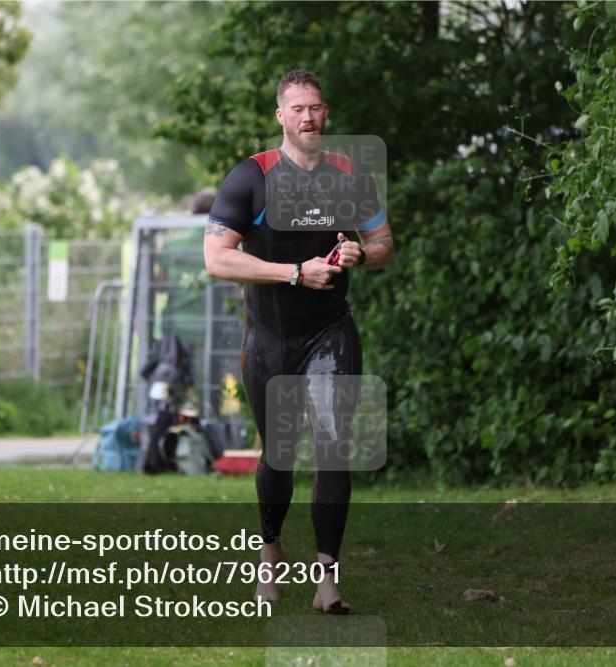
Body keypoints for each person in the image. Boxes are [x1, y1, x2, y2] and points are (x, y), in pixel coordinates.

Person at [203, 69, 395, 614]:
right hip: (269, 338)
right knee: (278, 457)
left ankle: (327, 580)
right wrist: (293, 273)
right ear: (280, 117)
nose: (308, 117)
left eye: (315, 108)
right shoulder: (253, 177)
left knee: (333, 449)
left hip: (330, 332)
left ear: (325, 113)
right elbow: (216, 258)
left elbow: (384, 244)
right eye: (297, 109)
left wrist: (362, 253)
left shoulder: (348, 176)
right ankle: (270, 551)